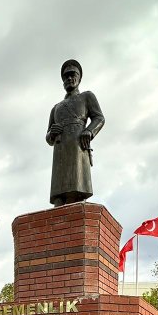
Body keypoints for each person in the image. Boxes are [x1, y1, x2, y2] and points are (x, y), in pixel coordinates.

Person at [46, 58, 105, 207]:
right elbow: (48, 138)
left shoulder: (86, 96)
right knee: (59, 199)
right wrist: (51, 133)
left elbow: (99, 118)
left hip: (77, 147)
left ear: (79, 77)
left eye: (73, 75)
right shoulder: (56, 108)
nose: (69, 78)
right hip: (60, 152)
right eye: (66, 76)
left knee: (76, 190)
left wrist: (89, 131)